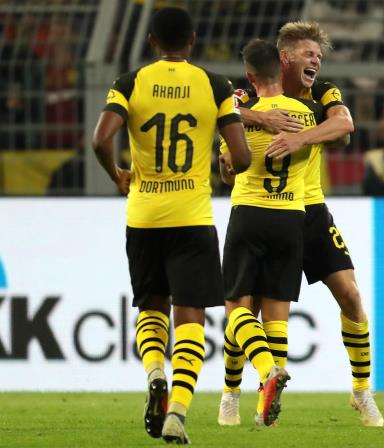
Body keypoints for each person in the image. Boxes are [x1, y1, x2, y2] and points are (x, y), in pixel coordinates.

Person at [91, 7, 251, 444]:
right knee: (190, 317)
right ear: (193, 40)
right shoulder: (215, 85)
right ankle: (177, 412)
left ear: (151, 41)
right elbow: (242, 156)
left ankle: (155, 374)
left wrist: (117, 173)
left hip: (143, 216)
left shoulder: (130, 82)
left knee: (151, 308)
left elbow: (100, 138)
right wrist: (226, 165)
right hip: (192, 217)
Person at [218, 21, 384, 428]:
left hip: (310, 210)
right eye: (309, 54)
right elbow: (224, 113)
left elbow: (344, 125)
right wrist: (261, 119)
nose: (316, 61)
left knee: (350, 295)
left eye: (319, 56)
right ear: (285, 58)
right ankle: (232, 394)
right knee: (251, 308)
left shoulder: (322, 94)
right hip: (273, 208)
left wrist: (300, 138)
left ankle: (362, 391)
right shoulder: (249, 95)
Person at [217, 38, 324, 427]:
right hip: (291, 217)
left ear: (249, 77)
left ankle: (250, 383)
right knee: (277, 317)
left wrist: (227, 162)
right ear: (282, 70)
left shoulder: (241, 117)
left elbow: (230, 169)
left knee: (236, 310)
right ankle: (266, 411)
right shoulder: (308, 115)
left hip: (249, 213)